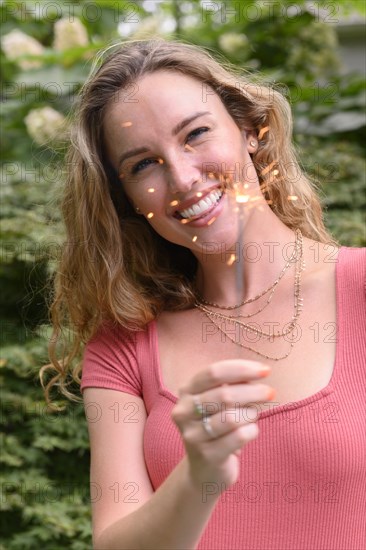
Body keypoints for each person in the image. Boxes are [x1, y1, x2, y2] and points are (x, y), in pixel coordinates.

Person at [41, 39, 365, 550]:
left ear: (249, 131)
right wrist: (198, 476)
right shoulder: (124, 344)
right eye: (143, 164)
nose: (183, 178)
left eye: (196, 133)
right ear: (124, 196)